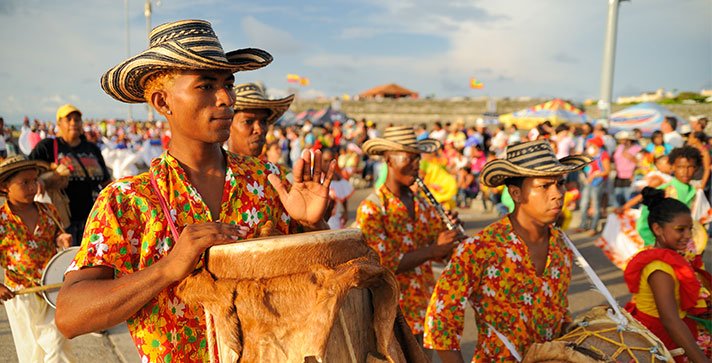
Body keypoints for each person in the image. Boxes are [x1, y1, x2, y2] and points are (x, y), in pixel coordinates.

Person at [54, 20, 334, 362]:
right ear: (162, 101)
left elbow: (323, 286)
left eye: (228, 84)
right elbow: (69, 316)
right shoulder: (129, 201)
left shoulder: (267, 181)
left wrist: (311, 228)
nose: (225, 98)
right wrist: (167, 269)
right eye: (205, 86)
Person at [423, 140, 592, 362]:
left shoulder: (562, 246)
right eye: (544, 186)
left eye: (560, 183)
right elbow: (441, 318)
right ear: (516, 193)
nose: (557, 194)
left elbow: (559, 314)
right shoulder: (480, 248)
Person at [355, 126, 463, 340]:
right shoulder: (373, 208)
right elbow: (384, 263)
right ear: (389, 160)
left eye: (418, 159)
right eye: (409, 159)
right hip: (391, 319)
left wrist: (451, 239)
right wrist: (434, 249)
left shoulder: (423, 205)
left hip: (425, 313)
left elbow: (444, 252)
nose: (416, 166)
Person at [0, 155, 75, 362]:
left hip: (52, 291)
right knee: (31, 351)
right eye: (25, 182)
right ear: (6, 186)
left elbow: (56, 236)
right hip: (20, 294)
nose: (33, 187)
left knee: (57, 343)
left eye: (34, 181)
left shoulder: (48, 211)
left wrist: (62, 239)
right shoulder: (2, 220)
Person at [624, 188, 711, 362]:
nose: (687, 236)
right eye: (680, 230)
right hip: (661, 338)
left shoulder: (673, 257)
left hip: (676, 329)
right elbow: (670, 320)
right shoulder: (659, 268)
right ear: (657, 229)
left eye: (690, 229)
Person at [29, 104, 111, 244]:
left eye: (77, 120)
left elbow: (105, 181)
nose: (74, 123)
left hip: (92, 218)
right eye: (69, 119)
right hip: (62, 220)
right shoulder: (48, 146)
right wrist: (49, 172)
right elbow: (28, 170)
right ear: (59, 123)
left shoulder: (92, 148)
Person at [617, 146, 708, 248]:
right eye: (680, 167)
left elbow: (700, 223)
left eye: (690, 167)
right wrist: (654, 246)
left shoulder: (696, 192)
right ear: (672, 167)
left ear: (696, 168)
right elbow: (644, 225)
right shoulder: (662, 192)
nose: (686, 172)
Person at [226, 82, 293, 159]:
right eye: (248, 122)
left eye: (263, 122)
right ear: (227, 125)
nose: (259, 130)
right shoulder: (215, 169)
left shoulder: (272, 170)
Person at [576, 136, 610, 236]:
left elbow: (607, 171)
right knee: (583, 204)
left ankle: (593, 227)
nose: (589, 146)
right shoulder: (590, 155)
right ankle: (583, 225)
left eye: (591, 145)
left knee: (595, 205)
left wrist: (595, 175)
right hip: (588, 182)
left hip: (597, 183)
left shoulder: (603, 155)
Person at [612, 131, 642, 207]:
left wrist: (631, 158)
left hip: (630, 178)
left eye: (623, 139)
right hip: (619, 178)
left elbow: (641, 164)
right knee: (618, 201)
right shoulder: (619, 148)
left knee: (629, 201)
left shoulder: (638, 149)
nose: (621, 141)